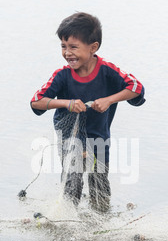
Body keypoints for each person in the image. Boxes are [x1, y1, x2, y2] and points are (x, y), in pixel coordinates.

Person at [30, 12, 145, 212]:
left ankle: (100, 225)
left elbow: (136, 87)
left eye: (73, 47)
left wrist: (109, 100)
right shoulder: (62, 76)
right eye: (63, 47)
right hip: (71, 141)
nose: (67, 53)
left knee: (99, 187)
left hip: (99, 140)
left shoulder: (107, 71)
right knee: (71, 187)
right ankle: (68, 224)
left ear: (93, 48)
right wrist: (67, 103)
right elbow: (36, 102)